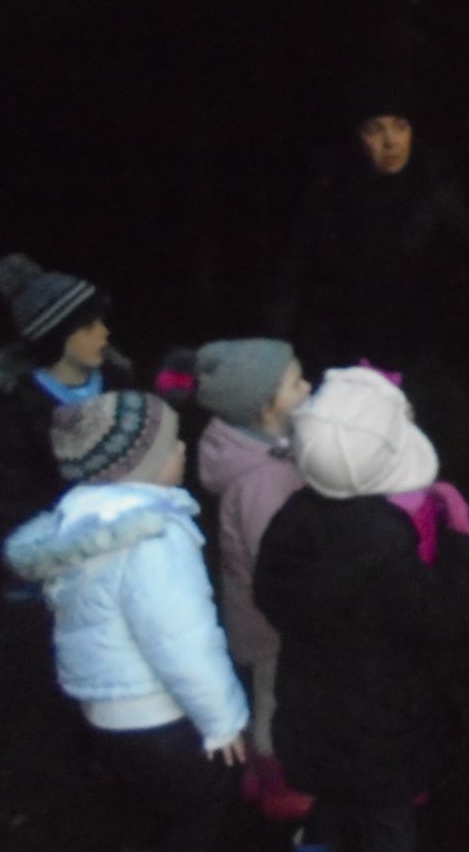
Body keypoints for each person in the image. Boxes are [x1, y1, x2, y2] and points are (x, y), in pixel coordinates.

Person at [3, 391, 249, 852]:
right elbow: (181, 641)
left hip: (105, 709)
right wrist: (222, 720)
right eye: (171, 443)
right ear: (139, 465)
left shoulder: (79, 517)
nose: (182, 448)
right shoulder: (151, 539)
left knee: (155, 806)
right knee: (201, 813)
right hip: (159, 716)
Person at [252, 366, 469, 852]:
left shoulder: (292, 516)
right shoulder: (384, 541)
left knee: (330, 806)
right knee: (387, 825)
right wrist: (461, 541)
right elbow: (444, 617)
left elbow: (268, 598)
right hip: (379, 731)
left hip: (309, 716)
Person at [265, 75, 469, 385]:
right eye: (374, 130)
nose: (391, 142)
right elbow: (290, 279)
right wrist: (273, 354)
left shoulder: (432, 188)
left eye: (400, 126)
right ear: (356, 136)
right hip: (341, 358)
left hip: (415, 356)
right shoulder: (329, 194)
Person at [190, 339, 313, 821]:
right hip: (272, 624)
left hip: (270, 612)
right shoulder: (261, 481)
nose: (308, 387)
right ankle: (276, 783)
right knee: (276, 700)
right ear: (265, 407)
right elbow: (277, 564)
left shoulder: (267, 449)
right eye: (296, 383)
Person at [0, 252, 131, 596]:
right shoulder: (20, 411)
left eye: (101, 321)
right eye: (88, 327)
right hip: (61, 559)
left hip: (125, 544)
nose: (104, 333)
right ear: (54, 337)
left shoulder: (118, 384)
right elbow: (14, 494)